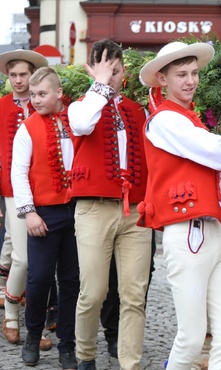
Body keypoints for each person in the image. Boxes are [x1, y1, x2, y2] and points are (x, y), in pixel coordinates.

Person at [137, 40, 221, 369]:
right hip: (188, 234)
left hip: (216, 230)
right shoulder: (165, 121)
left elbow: (210, 179)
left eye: (194, 73)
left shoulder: (188, 119)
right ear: (161, 80)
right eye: (181, 74)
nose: (190, 80)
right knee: (193, 336)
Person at [68, 39, 152, 370]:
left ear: (124, 71)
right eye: (105, 71)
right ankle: (85, 354)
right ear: (92, 71)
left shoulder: (135, 109)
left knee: (134, 294)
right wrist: (99, 85)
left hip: (135, 212)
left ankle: (130, 363)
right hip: (93, 209)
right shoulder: (80, 105)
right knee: (94, 292)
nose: (112, 77)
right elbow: (81, 125)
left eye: (116, 71)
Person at [11, 66, 80, 369]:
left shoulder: (76, 124)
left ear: (58, 93)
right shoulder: (27, 128)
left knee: (71, 281)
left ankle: (67, 344)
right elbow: (19, 173)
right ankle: (32, 336)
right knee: (38, 279)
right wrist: (29, 212)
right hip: (44, 213)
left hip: (77, 211)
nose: (35, 99)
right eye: (33, 94)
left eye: (42, 94)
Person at [0, 48, 53, 351]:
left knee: (42, 264)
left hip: (47, 190)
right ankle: (10, 315)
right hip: (13, 189)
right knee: (23, 258)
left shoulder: (44, 102)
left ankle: (37, 325)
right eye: (13, 75)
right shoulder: (1, 106)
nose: (19, 80)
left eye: (24, 74)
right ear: (7, 77)